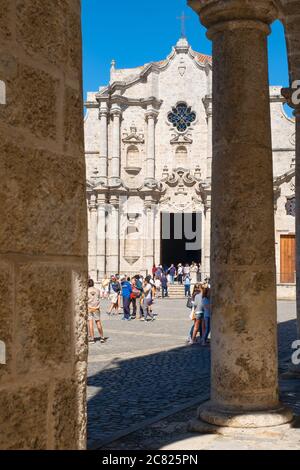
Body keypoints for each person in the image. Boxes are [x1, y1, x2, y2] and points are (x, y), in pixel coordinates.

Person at [88, 279, 106, 344]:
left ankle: (92, 339)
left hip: (89, 307)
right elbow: (98, 297)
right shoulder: (97, 290)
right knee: (98, 322)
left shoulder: (86, 291)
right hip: (96, 308)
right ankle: (102, 337)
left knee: (90, 323)